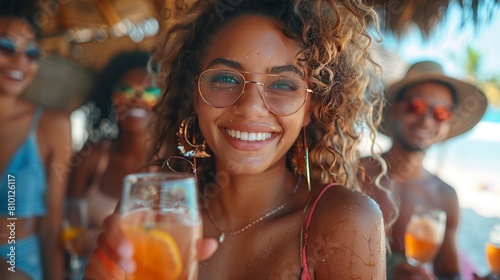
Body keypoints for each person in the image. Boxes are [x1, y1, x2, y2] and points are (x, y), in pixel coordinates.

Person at [84, 0, 390, 278]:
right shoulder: (155, 218)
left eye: (283, 85)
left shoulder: (344, 221)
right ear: (195, 95)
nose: (249, 107)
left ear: (311, 108)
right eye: (226, 78)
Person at [361, 61, 488, 279]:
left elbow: (449, 274)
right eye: (417, 106)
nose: (427, 120)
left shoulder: (444, 196)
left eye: (441, 113)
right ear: (394, 109)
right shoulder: (354, 172)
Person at [0, 2, 72, 280]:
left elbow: (52, 226)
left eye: (31, 53)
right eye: (7, 48)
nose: (21, 62)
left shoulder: (52, 125)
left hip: (20, 262)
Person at [67, 50, 159, 256]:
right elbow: (67, 227)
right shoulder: (91, 158)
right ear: (111, 96)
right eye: (125, 91)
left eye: (149, 92)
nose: (136, 100)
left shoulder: (174, 164)